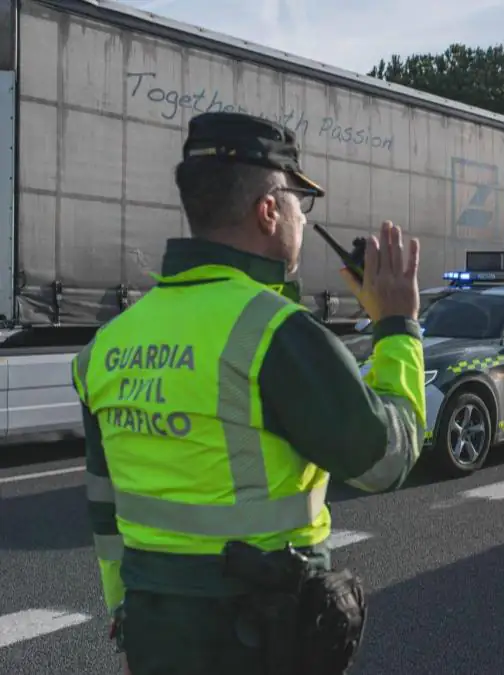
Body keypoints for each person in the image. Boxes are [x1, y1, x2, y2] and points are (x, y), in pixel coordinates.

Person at [72, 112, 426, 675]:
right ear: (268, 211)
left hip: (154, 638)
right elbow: (386, 461)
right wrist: (398, 327)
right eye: (299, 203)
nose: (302, 220)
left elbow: (104, 508)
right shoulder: (277, 333)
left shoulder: (106, 347)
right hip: (263, 641)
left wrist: (126, 615)